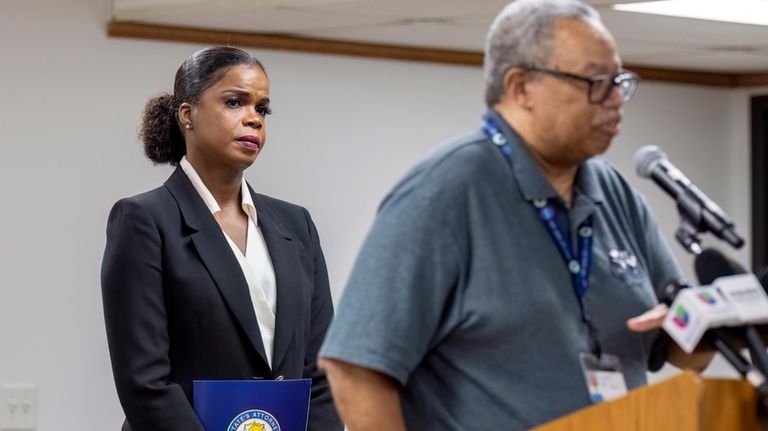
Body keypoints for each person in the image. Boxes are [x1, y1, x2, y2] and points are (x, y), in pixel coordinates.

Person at [318, 1, 713, 430]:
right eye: (596, 82)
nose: (616, 99)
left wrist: (721, 323)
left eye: (618, 81)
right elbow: (356, 369)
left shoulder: (615, 194)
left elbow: (683, 353)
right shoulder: (446, 189)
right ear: (521, 87)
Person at [101, 46, 341, 431]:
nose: (254, 119)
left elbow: (322, 372)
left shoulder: (297, 225)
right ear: (187, 115)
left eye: (262, 109)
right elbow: (145, 384)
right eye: (234, 102)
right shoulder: (144, 221)